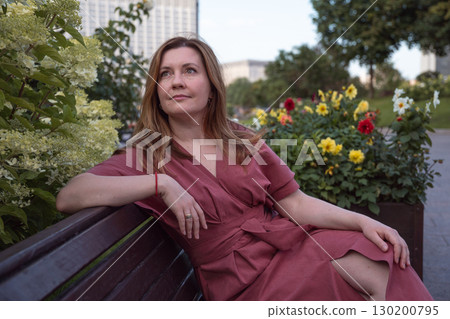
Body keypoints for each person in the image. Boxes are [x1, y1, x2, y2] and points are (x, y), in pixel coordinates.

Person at [56, 36, 433, 301]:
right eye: (165, 74)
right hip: (240, 284)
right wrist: (162, 185)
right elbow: (70, 196)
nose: (176, 81)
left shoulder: (240, 138)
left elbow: (295, 204)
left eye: (189, 70)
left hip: (285, 249)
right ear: (156, 88)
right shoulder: (148, 153)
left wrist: (364, 221)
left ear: (211, 85)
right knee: (372, 272)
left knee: (381, 254)